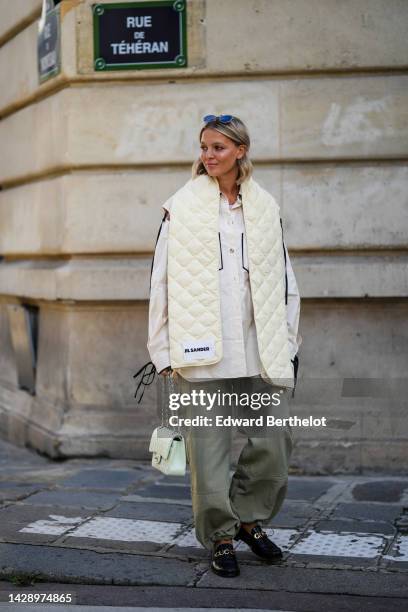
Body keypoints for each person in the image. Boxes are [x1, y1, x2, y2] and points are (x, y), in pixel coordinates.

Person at [146, 114, 301, 578]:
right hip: (200, 352)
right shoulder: (181, 206)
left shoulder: (264, 205)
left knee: (274, 441)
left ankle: (249, 519)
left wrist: (290, 339)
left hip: (260, 347)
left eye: (218, 148)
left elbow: (285, 277)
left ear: (240, 151)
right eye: (204, 147)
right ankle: (220, 536)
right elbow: (162, 282)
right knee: (209, 453)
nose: (208, 156)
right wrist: (164, 353)